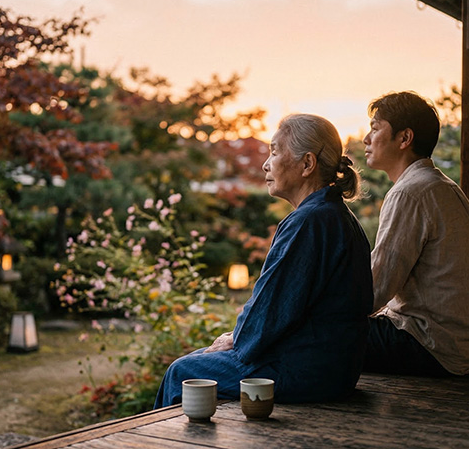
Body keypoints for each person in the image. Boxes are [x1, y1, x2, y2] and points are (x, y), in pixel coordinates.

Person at [154, 113, 374, 408]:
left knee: (181, 372)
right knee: (197, 360)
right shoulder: (333, 215)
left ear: (307, 164)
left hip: (308, 372)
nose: (265, 164)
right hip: (335, 368)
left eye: (274, 151)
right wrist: (239, 338)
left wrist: (236, 338)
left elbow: (271, 309)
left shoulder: (309, 221)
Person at [361, 91, 469, 376]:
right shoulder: (437, 185)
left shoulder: (409, 192)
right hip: (458, 347)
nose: (365, 140)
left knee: (317, 331)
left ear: (404, 138)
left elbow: (374, 291)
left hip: (430, 346)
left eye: (374, 128)